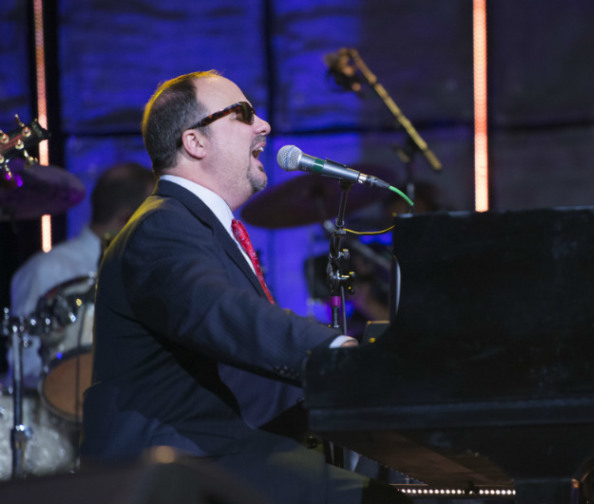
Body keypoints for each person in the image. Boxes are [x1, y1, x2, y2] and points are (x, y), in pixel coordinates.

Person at [80, 70, 408, 504]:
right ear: (195, 142)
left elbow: (239, 365)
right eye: (243, 114)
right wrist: (339, 352)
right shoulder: (161, 225)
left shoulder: (199, 229)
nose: (264, 126)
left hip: (222, 450)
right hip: (180, 463)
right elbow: (225, 314)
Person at [5, 162, 155, 390]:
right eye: (153, 218)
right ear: (126, 219)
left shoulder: (141, 269)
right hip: (53, 414)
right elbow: (25, 365)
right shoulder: (49, 269)